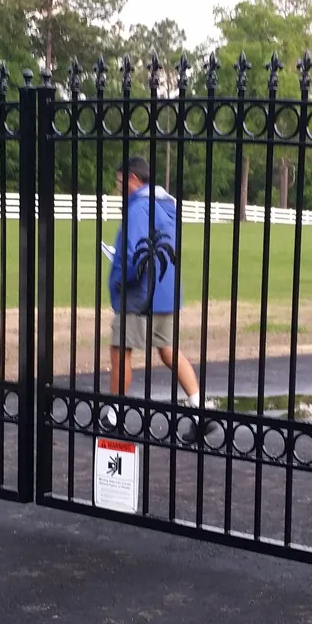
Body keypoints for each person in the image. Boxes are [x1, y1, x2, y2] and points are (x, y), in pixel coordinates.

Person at [103, 156, 203, 432]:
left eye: (121, 182)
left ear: (134, 179)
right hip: (166, 292)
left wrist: (122, 280)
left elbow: (137, 253)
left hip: (139, 294)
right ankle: (198, 410)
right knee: (169, 351)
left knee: (120, 350)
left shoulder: (138, 209)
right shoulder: (167, 208)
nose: (119, 188)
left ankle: (113, 414)